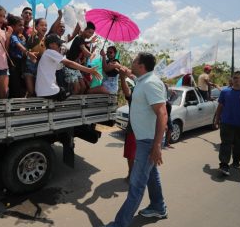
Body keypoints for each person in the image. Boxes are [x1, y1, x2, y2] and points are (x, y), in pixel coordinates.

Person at [104, 52, 168, 227]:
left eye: (134, 61)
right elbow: (127, 71)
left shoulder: (151, 83)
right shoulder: (142, 80)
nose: (130, 63)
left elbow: (162, 113)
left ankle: (119, 224)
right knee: (151, 176)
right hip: (144, 139)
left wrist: (156, 146)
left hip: (148, 141)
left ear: (141, 66)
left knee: (136, 184)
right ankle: (158, 206)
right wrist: (119, 68)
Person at [35, 34, 101, 100]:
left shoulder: (47, 54)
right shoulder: (50, 52)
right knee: (70, 92)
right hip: (48, 91)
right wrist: (89, 70)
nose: (60, 46)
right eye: (58, 44)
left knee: (65, 91)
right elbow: (69, 63)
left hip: (43, 91)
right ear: (51, 45)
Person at [7, 15, 37, 98]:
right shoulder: (13, 36)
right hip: (13, 63)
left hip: (20, 64)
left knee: (21, 87)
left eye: (23, 25)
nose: (22, 27)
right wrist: (28, 53)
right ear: (13, 26)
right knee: (15, 87)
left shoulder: (21, 37)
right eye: (20, 25)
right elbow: (19, 46)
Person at [64, 21, 96, 94]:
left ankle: (77, 103)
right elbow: (86, 52)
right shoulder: (78, 39)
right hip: (69, 67)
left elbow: (84, 43)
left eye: (92, 33)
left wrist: (90, 42)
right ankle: (71, 104)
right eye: (89, 32)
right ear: (84, 30)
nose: (91, 35)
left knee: (83, 87)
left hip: (75, 67)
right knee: (77, 89)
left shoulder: (81, 39)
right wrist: (92, 53)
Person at [25, 18, 47, 97]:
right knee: (31, 91)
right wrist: (32, 36)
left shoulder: (46, 40)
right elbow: (27, 48)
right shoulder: (33, 37)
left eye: (45, 25)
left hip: (40, 69)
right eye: (41, 25)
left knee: (38, 92)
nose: (44, 27)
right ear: (36, 27)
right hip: (29, 68)